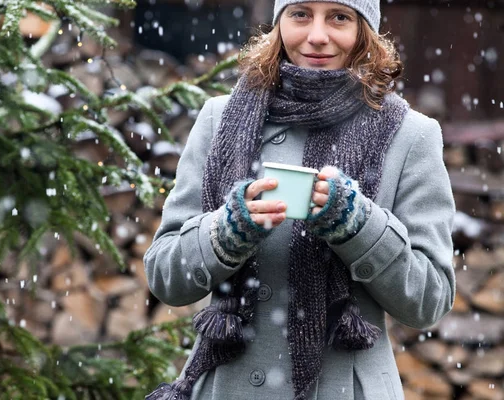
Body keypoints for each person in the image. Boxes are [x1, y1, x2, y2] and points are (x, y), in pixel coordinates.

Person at [144, 0, 456, 399]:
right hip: (226, 386)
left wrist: (358, 226)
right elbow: (164, 276)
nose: (317, 36)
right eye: (301, 14)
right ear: (279, 23)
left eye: (339, 17)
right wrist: (226, 233)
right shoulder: (220, 119)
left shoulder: (411, 136)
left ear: (365, 31)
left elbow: (428, 300)